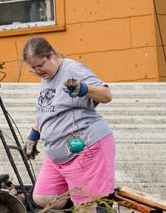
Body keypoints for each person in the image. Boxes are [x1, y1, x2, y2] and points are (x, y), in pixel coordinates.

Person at [21, 36, 115, 211]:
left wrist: (84, 89)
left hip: (86, 146)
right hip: (60, 155)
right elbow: (49, 110)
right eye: (33, 68)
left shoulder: (72, 69)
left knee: (88, 205)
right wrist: (34, 134)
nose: (38, 71)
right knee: (44, 197)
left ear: (50, 54)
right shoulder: (47, 77)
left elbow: (106, 95)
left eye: (40, 65)